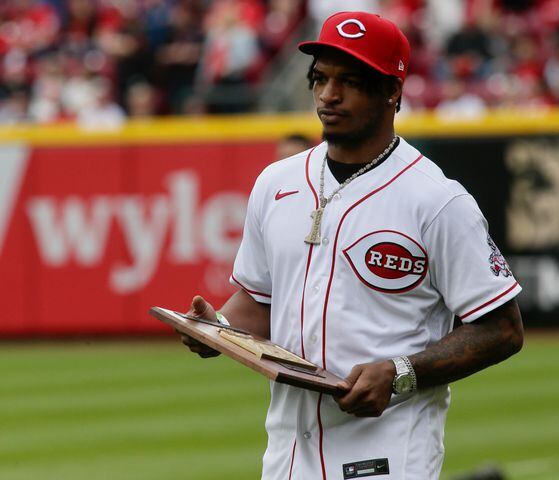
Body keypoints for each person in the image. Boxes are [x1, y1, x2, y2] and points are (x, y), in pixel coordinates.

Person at [178, 11, 524, 480]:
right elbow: (259, 302)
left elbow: (502, 329)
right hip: (287, 452)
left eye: (350, 81)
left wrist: (401, 372)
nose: (329, 95)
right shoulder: (276, 182)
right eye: (320, 78)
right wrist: (215, 329)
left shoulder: (438, 200)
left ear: (392, 91)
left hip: (387, 450)